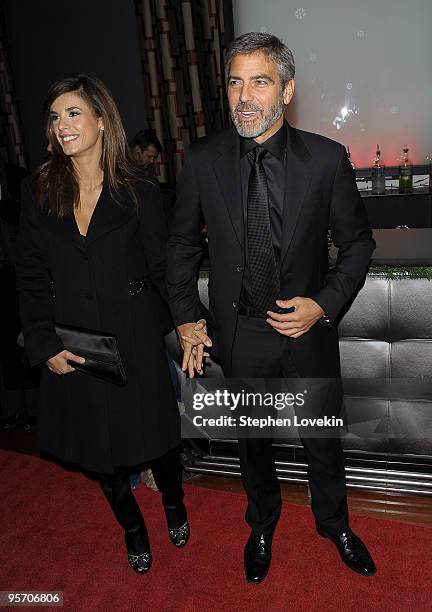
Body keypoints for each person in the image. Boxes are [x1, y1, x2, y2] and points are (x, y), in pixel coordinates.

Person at [167, 32, 376, 583]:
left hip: (306, 327)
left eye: (259, 81)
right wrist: (188, 315)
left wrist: (323, 304)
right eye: (235, 82)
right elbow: (182, 245)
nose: (244, 96)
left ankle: (334, 524)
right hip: (240, 331)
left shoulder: (325, 160)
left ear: (286, 91)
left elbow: (358, 244)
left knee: (320, 439)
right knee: (252, 443)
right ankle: (261, 523)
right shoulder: (205, 160)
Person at [16, 74, 189, 574]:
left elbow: (162, 265)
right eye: (55, 117)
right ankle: (133, 527)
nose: (63, 125)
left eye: (73, 113)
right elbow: (30, 273)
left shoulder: (138, 187)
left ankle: (173, 501)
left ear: (100, 119)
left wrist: (187, 322)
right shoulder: (39, 190)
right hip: (77, 342)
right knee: (101, 453)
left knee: (156, 441)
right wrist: (44, 342)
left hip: (134, 334)